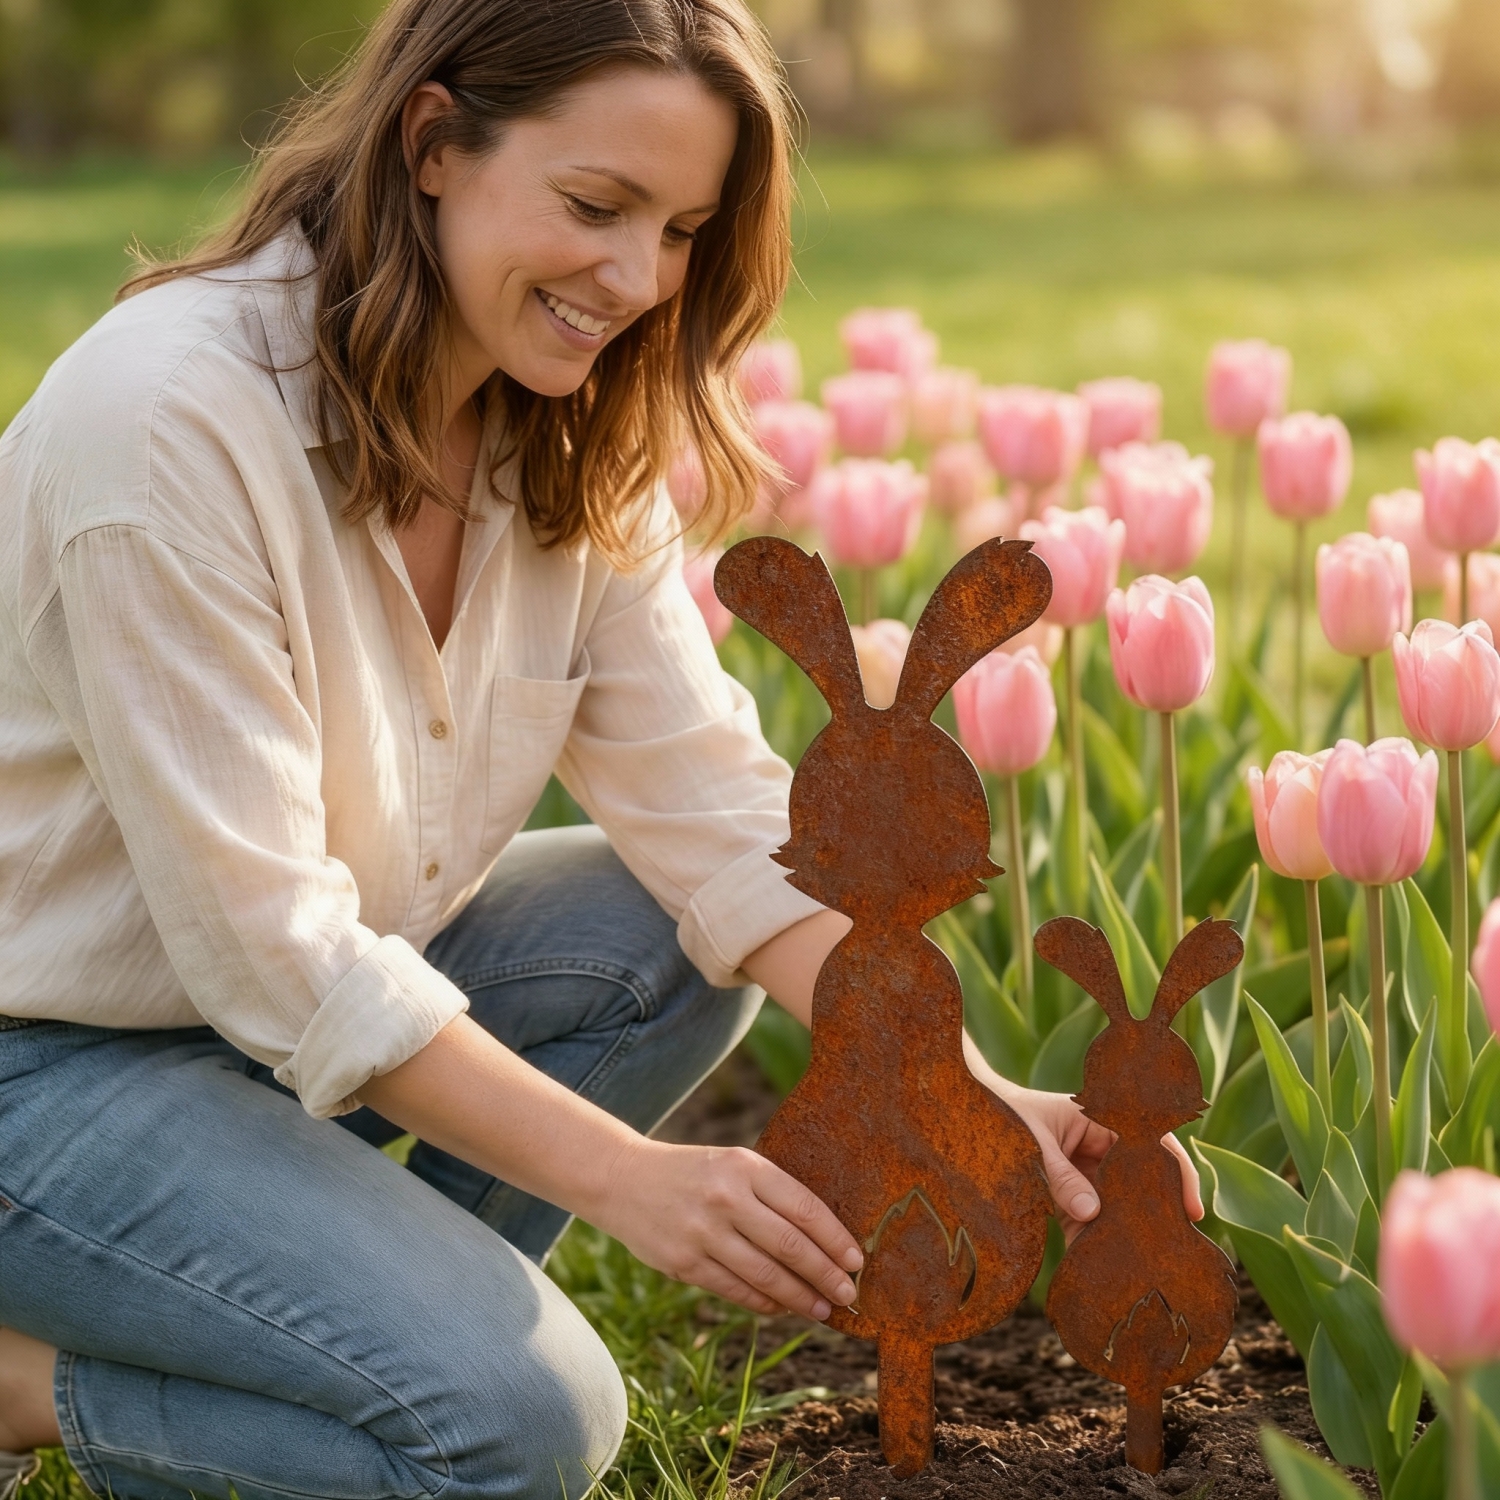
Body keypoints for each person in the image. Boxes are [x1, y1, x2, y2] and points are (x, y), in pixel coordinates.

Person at [0, 2, 1202, 1496]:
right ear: (433, 146)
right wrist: (632, 1186)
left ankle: (360, 1329)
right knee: (519, 1424)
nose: (636, 282)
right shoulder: (168, 425)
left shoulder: (552, 423)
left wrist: (963, 1093)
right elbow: (272, 948)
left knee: (660, 928)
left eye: (684, 230)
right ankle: (45, 1384)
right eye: (595, 206)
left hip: (255, 1032)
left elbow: (726, 819)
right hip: (42, 1067)